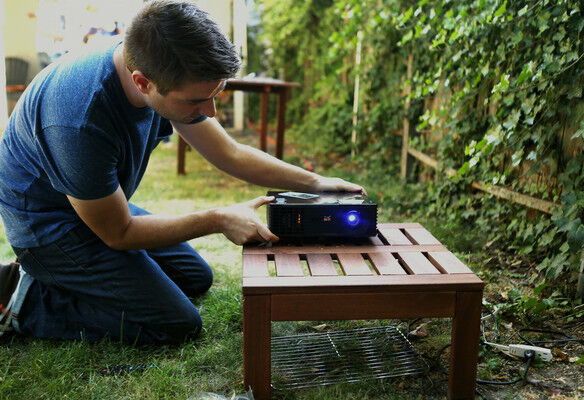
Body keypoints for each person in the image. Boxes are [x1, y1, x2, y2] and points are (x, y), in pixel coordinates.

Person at [0, 0, 364, 344]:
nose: (210, 112)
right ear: (143, 82)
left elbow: (230, 152)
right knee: (176, 324)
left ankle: (70, 280)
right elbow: (119, 232)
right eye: (196, 101)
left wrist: (316, 182)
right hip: (49, 227)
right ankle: (22, 296)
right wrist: (219, 218)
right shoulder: (78, 120)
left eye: (216, 94)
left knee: (194, 277)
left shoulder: (157, 63)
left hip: (93, 206)